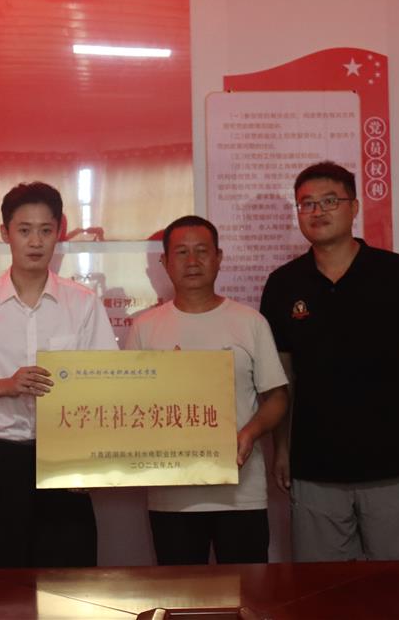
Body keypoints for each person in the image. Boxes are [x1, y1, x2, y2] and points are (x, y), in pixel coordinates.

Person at [260, 161, 399, 565]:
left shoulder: (397, 273)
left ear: (354, 207)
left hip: (394, 463)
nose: (317, 211)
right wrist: (282, 448)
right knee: (321, 590)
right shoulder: (283, 284)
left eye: (330, 201)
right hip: (314, 467)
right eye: (307, 204)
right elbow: (283, 378)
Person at [0, 182, 118, 569]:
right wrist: (8, 385)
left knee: (67, 581)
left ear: (59, 232)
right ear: (5, 233)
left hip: (65, 459)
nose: (35, 241)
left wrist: (90, 460)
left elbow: (105, 385)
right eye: (24, 230)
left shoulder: (83, 304)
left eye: (46, 230)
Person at [125, 215, 288, 565]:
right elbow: (131, 404)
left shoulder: (249, 322)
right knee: (180, 592)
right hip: (172, 494)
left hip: (240, 492)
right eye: (181, 252)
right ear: (164, 262)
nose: (192, 261)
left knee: (249, 591)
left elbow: (276, 397)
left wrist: (250, 433)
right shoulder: (145, 327)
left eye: (202, 251)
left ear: (219, 258)